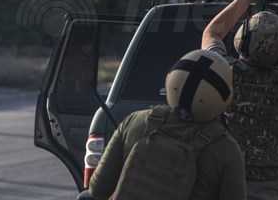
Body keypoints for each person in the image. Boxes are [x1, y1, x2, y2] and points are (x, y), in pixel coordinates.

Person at [201, 0, 278, 200]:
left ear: (243, 40)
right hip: (269, 185)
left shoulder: (226, 72)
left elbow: (213, 33)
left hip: (227, 179)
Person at [85, 49, 246, 200]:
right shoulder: (225, 149)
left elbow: (98, 189)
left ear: (170, 79)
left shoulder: (135, 122)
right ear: (224, 99)